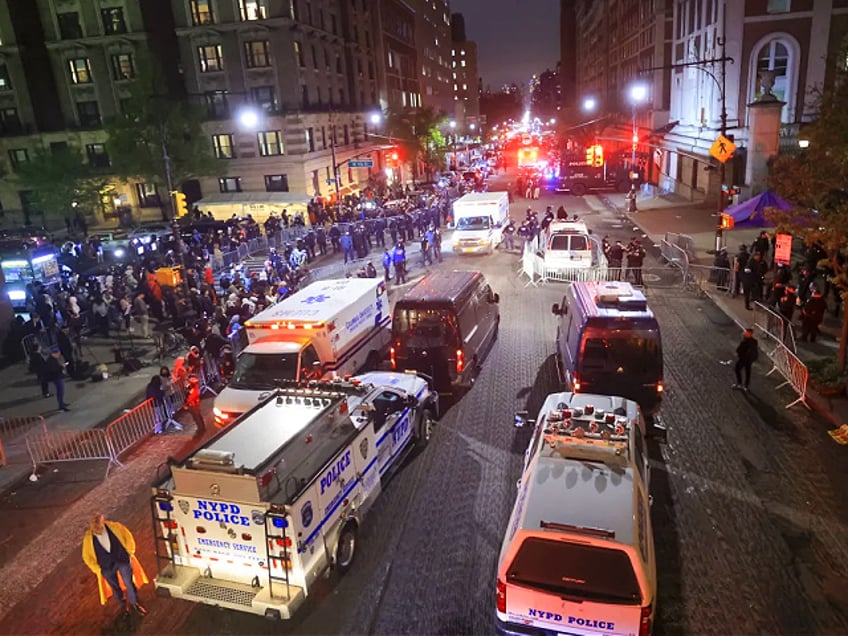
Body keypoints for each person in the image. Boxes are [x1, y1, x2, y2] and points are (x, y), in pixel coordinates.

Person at [81, 514, 147, 616]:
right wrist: (98, 570)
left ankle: (134, 603)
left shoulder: (116, 527)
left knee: (129, 583)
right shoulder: (88, 539)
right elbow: (87, 557)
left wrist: (129, 553)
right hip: (106, 568)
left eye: (97, 526)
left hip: (122, 560)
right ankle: (123, 606)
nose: (96, 529)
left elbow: (128, 537)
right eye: (94, 527)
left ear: (103, 522)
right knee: (115, 588)